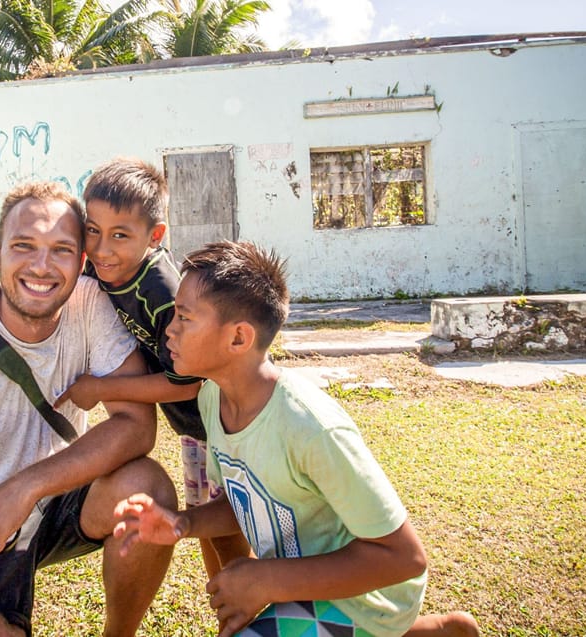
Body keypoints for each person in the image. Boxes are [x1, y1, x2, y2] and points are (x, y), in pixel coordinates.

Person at [112, 241, 481, 637]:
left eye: (184, 317)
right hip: (305, 588)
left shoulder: (311, 427)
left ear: (239, 339)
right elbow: (244, 500)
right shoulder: (211, 398)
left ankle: (400, 629)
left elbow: (405, 559)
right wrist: (182, 523)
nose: (169, 329)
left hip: (368, 598)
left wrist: (267, 580)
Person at [0, 181, 177, 637]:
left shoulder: (88, 302)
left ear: (81, 263)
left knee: (146, 488)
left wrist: (25, 488)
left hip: (58, 498)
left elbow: (137, 426)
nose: (41, 265)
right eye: (24, 246)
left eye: (61, 249)